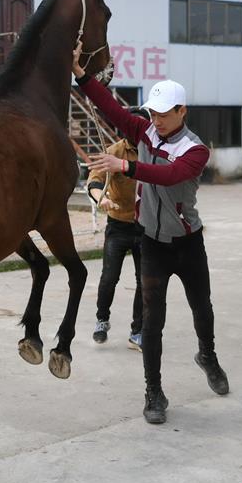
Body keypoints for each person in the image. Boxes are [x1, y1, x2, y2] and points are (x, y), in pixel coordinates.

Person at [74, 44, 229, 425]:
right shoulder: (143, 132)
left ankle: (207, 354)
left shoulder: (195, 151)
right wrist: (79, 73)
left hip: (189, 244)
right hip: (153, 244)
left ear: (182, 111)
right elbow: (110, 107)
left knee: (202, 308)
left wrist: (126, 167)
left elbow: (170, 175)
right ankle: (153, 392)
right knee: (151, 321)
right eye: (152, 114)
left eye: (164, 115)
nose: (155, 121)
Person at [86, 132, 143, 351]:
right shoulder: (113, 152)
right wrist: (102, 198)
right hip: (118, 225)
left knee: (144, 281)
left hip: (145, 226)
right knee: (109, 277)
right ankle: (102, 320)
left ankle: (137, 331)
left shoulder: (153, 150)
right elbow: (94, 180)